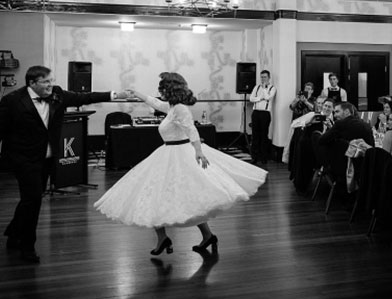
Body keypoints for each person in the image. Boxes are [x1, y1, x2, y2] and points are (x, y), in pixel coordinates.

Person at [94, 72, 267, 256]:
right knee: (157, 194)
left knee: (187, 198)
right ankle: (168, 238)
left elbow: (191, 129)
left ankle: (202, 236)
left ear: (170, 89)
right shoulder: (172, 106)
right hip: (167, 154)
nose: (160, 90)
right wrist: (136, 93)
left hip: (181, 154)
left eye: (162, 87)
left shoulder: (181, 109)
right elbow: (155, 102)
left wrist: (199, 151)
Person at [0, 65, 127, 263]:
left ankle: (13, 231)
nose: (51, 85)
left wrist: (114, 94)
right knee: (33, 199)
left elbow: (84, 97)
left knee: (31, 198)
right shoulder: (12, 100)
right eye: (46, 82)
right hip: (23, 158)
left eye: (51, 80)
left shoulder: (58, 94)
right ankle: (27, 247)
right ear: (32, 83)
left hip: (47, 157)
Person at [317, 102, 374, 186]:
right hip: (365, 167)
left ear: (347, 112)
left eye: (337, 112)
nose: (335, 115)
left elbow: (321, 140)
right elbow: (372, 147)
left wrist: (331, 130)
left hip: (346, 166)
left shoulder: (340, 124)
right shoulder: (366, 125)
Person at [249, 69, 276, 164]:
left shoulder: (272, 88)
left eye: (265, 77)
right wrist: (260, 98)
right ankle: (254, 157)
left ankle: (264, 157)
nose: (263, 79)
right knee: (255, 135)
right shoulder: (256, 87)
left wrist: (264, 88)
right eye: (261, 77)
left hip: (265, 113)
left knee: (264, 135)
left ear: (269, 78)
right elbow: (251, 98)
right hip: (256, 112)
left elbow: (268, 97)